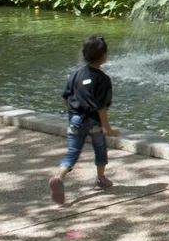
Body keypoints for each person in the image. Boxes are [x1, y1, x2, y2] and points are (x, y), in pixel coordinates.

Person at [50, 35, 119, 204]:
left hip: (75, 120)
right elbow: (102, 107)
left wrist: (74, 112)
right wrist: (107, 128)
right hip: (93, 121)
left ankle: (59, 176)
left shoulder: (75, 74)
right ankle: (101, 179)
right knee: (100, 148)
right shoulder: (103, 79)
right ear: (104, 56)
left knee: (73, 152)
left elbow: (66, 97)